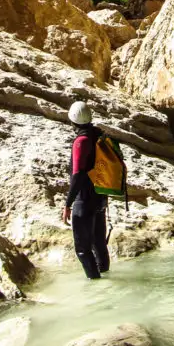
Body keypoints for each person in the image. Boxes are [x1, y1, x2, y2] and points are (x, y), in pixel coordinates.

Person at [62, 100, 110, 280]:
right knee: (99, 242)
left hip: (85, 200)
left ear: (72, 120)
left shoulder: (81, 141)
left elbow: (78, 175)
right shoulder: (98, 135)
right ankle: (106, 277)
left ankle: (95, 283)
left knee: (83, 249)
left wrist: (68, 203)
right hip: (100, 197)